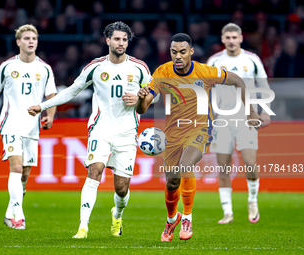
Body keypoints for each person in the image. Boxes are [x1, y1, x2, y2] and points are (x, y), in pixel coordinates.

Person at [28, 21, 152, 239]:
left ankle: (117, 214)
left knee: (121, 189)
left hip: (127, 132)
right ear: (108, 41)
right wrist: (43, 106)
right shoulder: (95, 67)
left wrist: (140, 98)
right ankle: (82, 227)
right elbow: (71, 91)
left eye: (124, 39)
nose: (121, 43)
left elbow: (152, 92)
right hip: (100, 129)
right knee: (94, 170)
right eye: (116, 39)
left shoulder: (139, 67)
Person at [136, 33, 261, 242]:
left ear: (191, 52)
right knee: (172, 183)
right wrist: (140, 99)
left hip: (199, 129)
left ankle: (187, 218)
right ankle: (171, 219)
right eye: (174, 52)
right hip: (172, 134)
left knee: (186, 166)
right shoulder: (162, 72)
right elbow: (142, 107)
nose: (178, 56)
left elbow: (238, 81)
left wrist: (250, 111)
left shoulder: (205, 71)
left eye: (182, 52)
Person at [0, 24, 57, 229]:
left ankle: (9, 213)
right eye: (27, 38)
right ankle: (18, 216)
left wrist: (50, 115)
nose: (31, 41)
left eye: (34, 38)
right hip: (11, 123)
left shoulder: (44, 68)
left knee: (24, 175)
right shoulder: (7, 66)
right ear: (18, 42)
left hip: (32, 127)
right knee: (16, 166)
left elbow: (51, 96)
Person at [206, 23, 271, 224]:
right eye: (228, 37)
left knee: (250, 164)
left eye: (235, 37)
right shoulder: (215, 61)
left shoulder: (252, 60)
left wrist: (265, 112)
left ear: (241, 38)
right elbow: (208, 90)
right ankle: (228, 212)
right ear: (223, 39)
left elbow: (264, 86)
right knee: (223, 167)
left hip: (246, 118)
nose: (232, 41)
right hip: (223, 119)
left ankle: (252, 200)